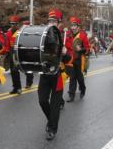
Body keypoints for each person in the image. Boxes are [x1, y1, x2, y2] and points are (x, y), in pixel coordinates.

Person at [38, 10, 71, 140]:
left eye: (54, 21)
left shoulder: (65, 37)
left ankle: (52, 128)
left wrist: (65, 53)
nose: (51, 23)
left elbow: (68, 59)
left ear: (59, 23)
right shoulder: (43, 36)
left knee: (55, 104)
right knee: (42, 100)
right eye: (50, 21)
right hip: (45, 73)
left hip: (57, 75)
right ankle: (51, 120)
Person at [6, 15, 34, 94]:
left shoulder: (21, 32)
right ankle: (16, 87)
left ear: (18, 24)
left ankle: (29, 80)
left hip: (20, 51)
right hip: (12, 52)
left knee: (24, 68)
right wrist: (7, 52)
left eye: (14, 24)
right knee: (13, 71)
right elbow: (8, 44)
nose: (13, 25)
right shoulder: (8, 33)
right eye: (11, 24)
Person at [65, 16, 90, 102]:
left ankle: (82, 89)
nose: (73, 27)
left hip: (79, 59)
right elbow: (65, 46)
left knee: (79, 78)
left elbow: (87, 49)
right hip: (70, 59)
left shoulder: (83, 35)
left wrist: (81, 49)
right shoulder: (67, 34)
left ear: (78, 26)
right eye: (71, 25)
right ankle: (71, 95)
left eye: (74, 25)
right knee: (72, 77)